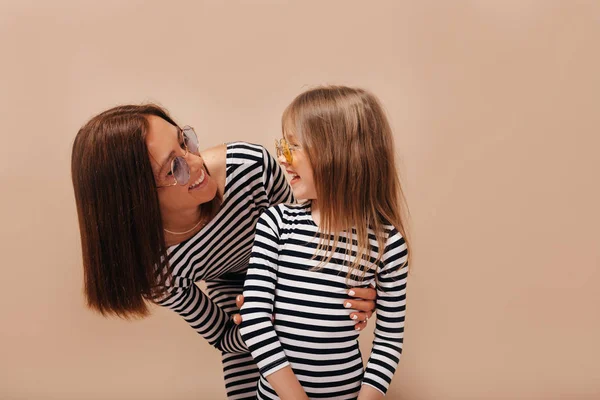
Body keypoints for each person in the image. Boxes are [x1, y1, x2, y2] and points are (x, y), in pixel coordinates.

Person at [70, 103, 377, 399]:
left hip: (294, 273)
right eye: (173, 168)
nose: (195, 162)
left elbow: (316, 235)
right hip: (236, 300)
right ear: (134, 200)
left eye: (185, 141)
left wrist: (358, 288)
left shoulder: (249, 171)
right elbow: (222, 335)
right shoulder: (155, 270)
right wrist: (255, 323)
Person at [239, 86, 411, 399]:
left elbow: (388, 341)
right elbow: (254, 320)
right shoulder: (276, 224)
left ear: (336, 153)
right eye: (282, 145)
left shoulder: (388, 244)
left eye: (292, 146)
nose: (281, 157)